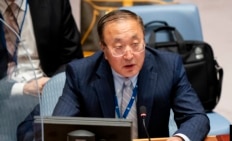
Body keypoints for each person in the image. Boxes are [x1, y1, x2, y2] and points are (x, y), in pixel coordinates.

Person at [18, 9, 210, 141]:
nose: (129, 55)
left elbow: (197, 118)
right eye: (118, 47)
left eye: (136, 45)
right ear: (103, 49)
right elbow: (59, 128)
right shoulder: (81, 74)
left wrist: (178, 138)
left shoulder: (169, 66)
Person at [0, 0, 83, 140]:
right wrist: (22, 88)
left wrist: (52, 85)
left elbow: (73, 58)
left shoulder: (55, 3)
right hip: (4, 94)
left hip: (46, 89)